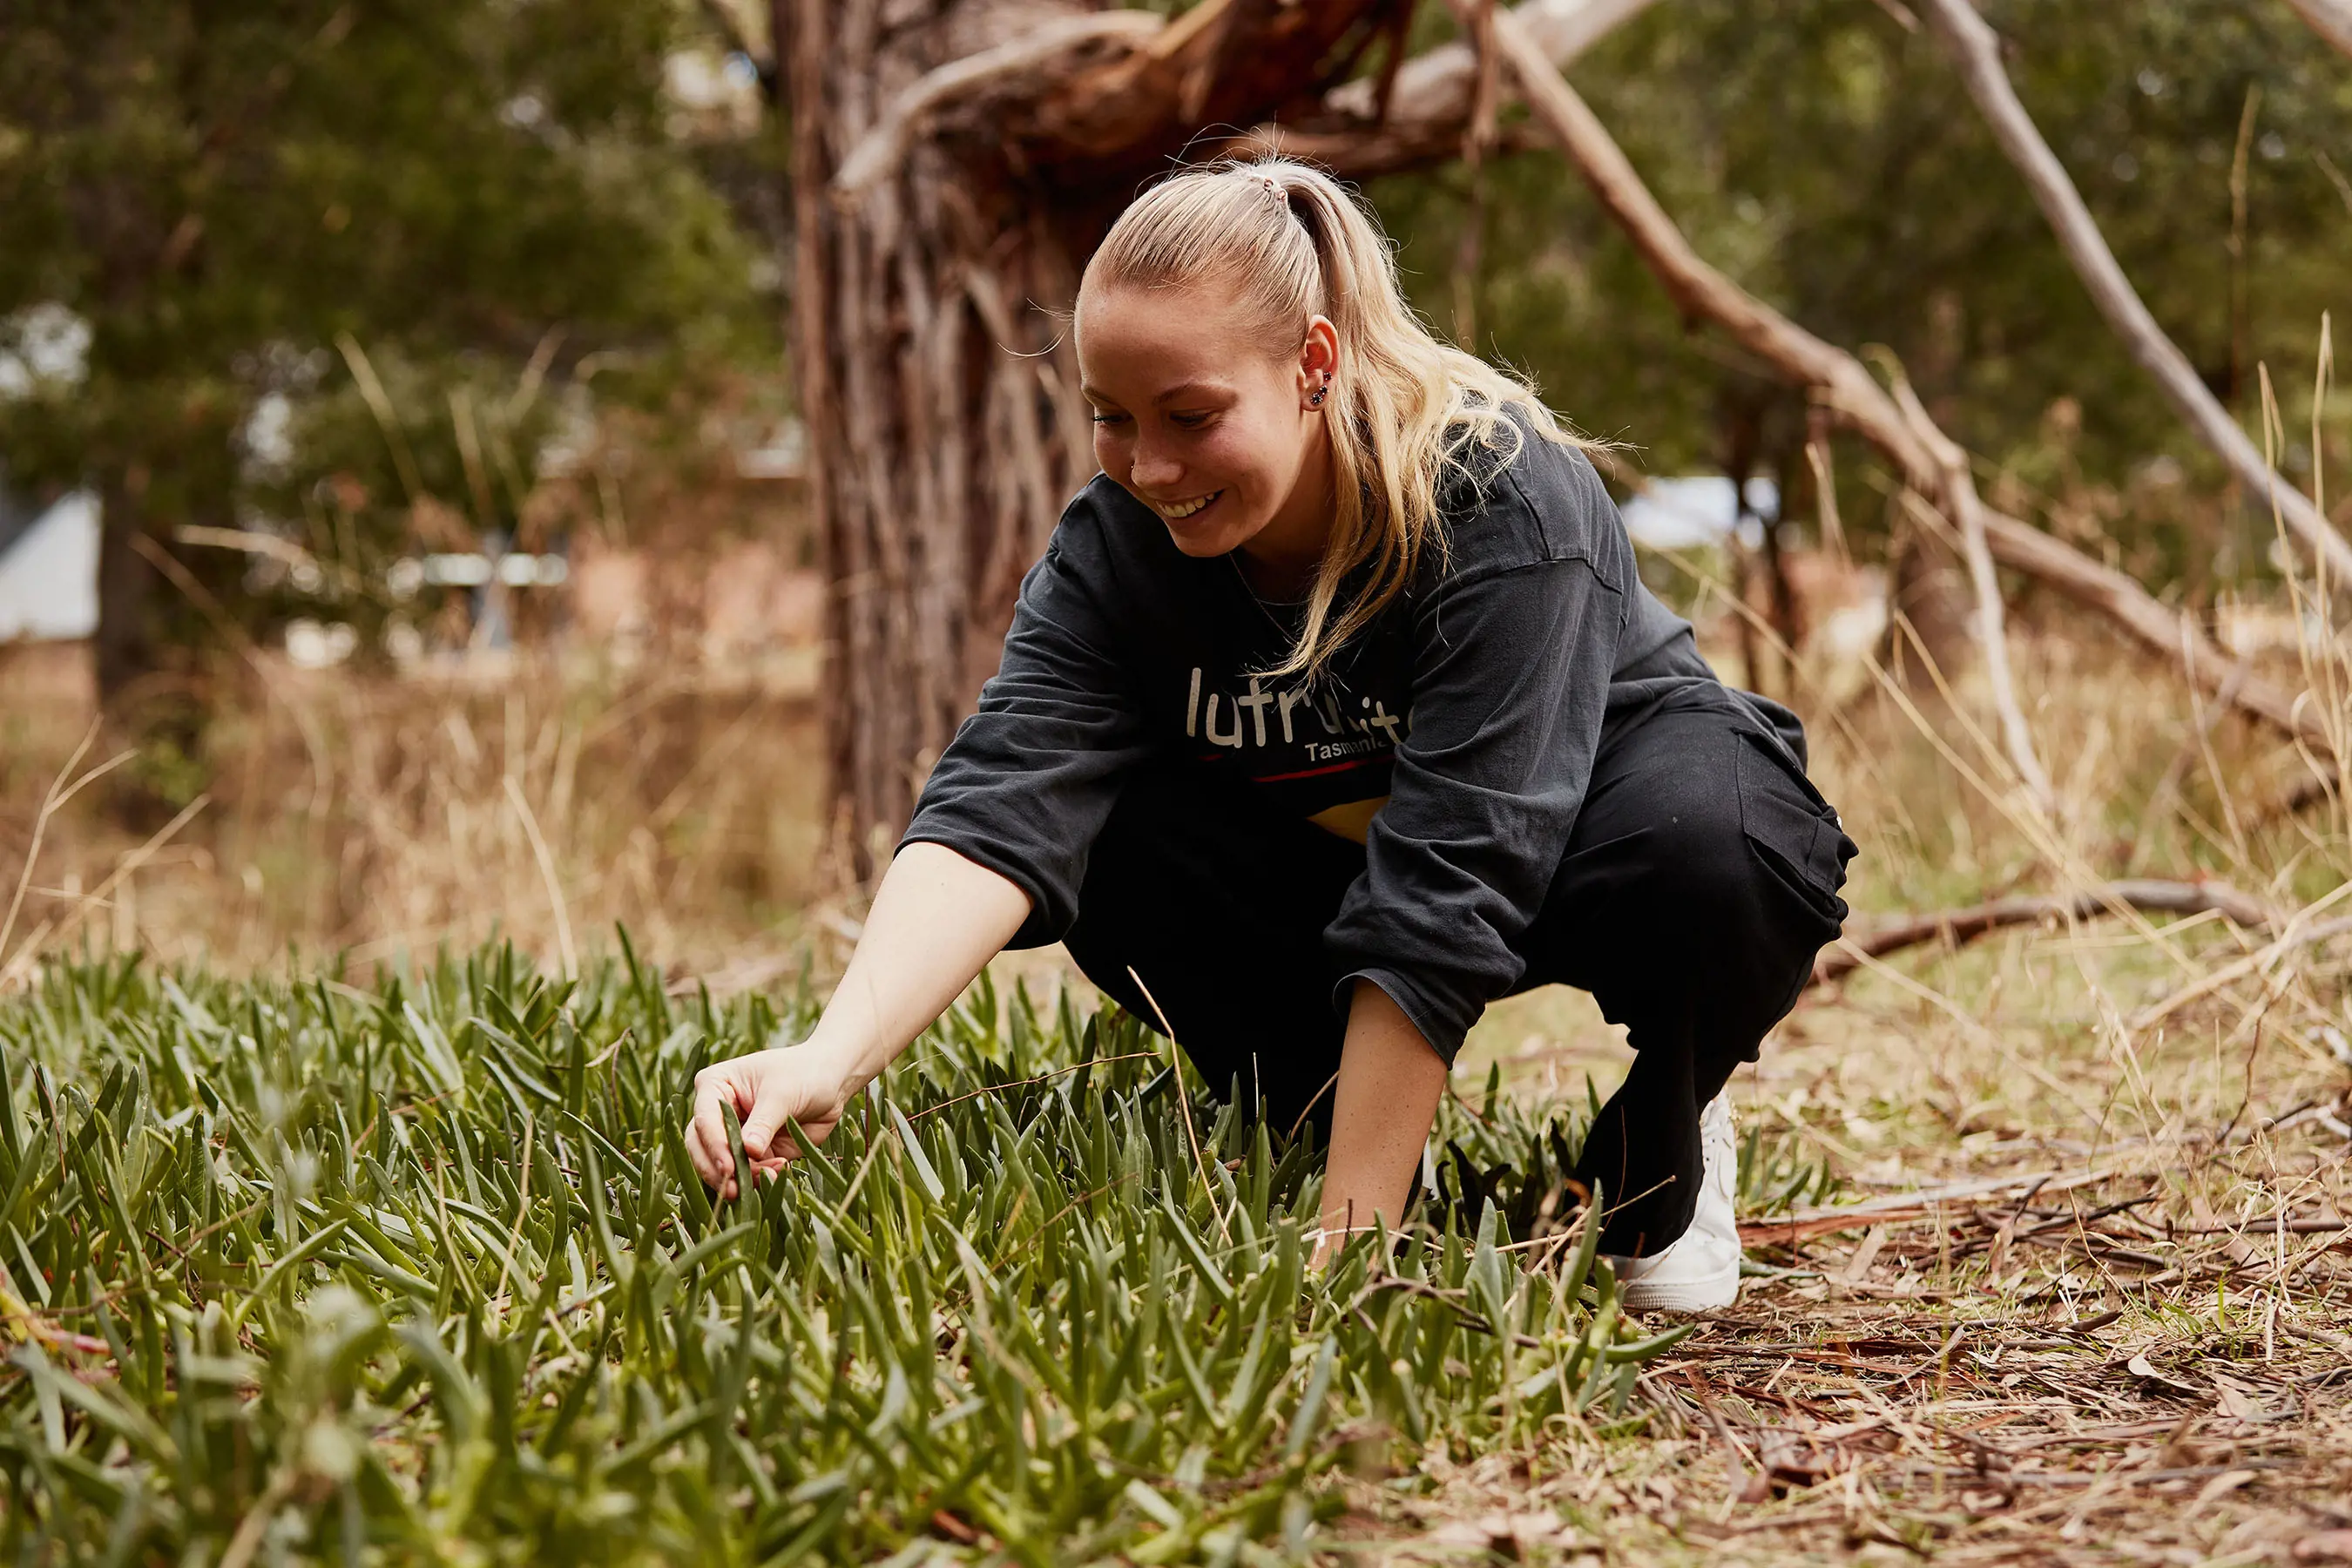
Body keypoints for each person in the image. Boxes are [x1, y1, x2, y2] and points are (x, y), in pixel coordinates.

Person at [685, 157, 1855, 1312]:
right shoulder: (1116, 551)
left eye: (1191, 416)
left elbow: (1455, 875)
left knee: (1722, 849)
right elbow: (1003, 802)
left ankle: (1665, 1129)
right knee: (1108, 832)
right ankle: (1325, 1105)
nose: (1151, 468)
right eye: (1112, 418)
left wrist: (1353, 1246)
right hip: (1336, 863)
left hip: (1593, 829)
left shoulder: (1497, 497)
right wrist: (829, 1054)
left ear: (1313, 364)